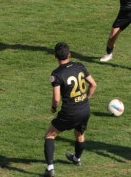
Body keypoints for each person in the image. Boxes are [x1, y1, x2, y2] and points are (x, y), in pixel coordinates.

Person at [43, 42, 97, 177]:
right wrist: (85, 99)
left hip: (69, 112)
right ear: (69, 54)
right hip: (84, 109)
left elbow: (56, 99)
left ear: (55, 56)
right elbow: (93, 84)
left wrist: (53, 108)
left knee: (50, 135)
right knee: (79, 134)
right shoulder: (79, 66)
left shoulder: (56, 74)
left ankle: (50, 169)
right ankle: (76, 159)